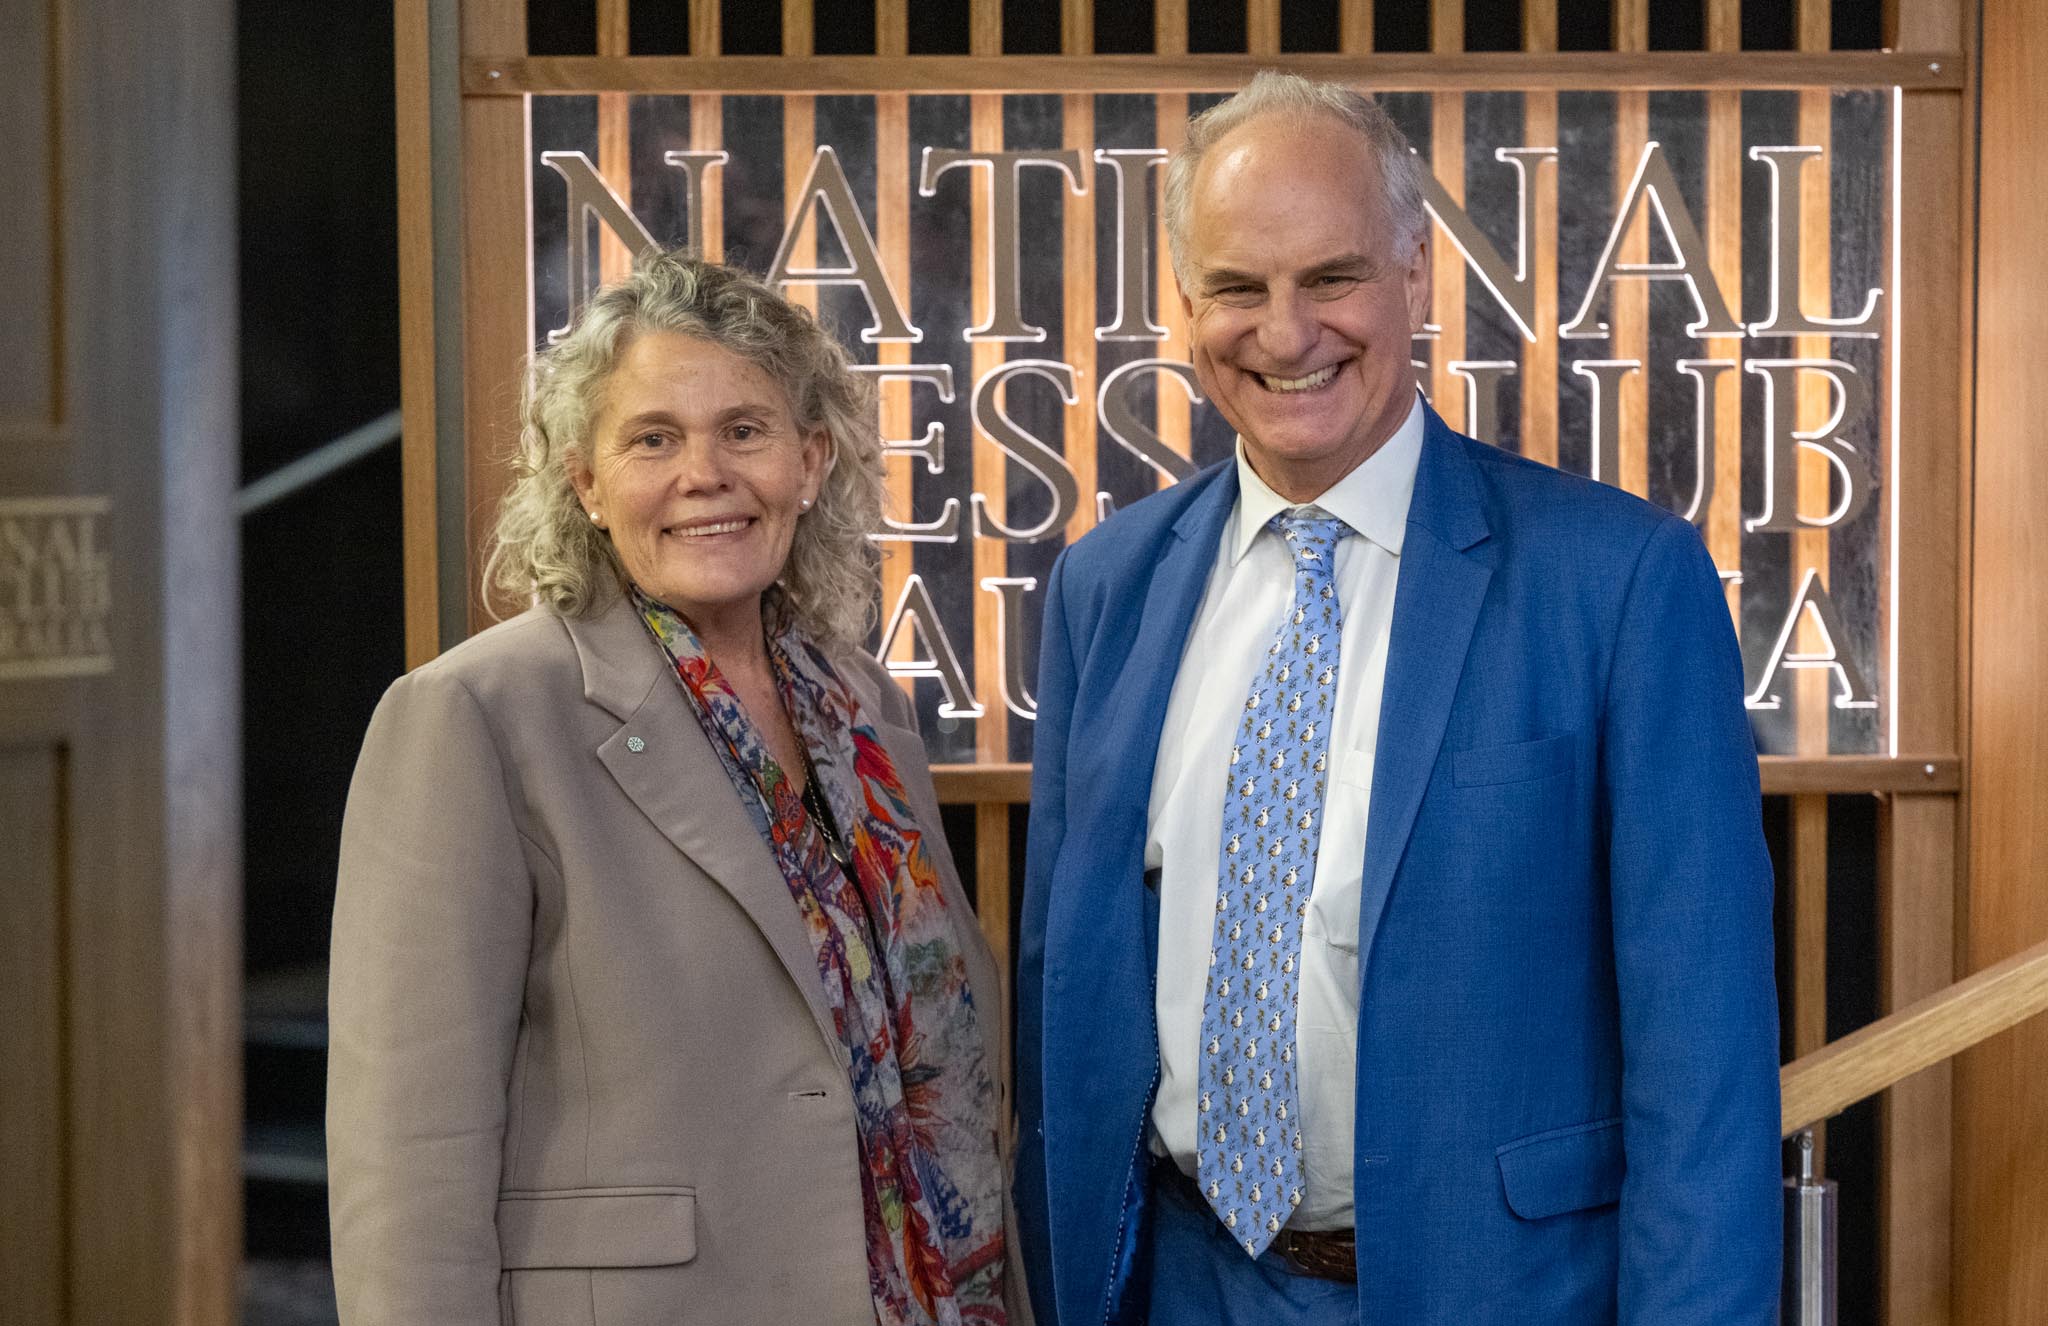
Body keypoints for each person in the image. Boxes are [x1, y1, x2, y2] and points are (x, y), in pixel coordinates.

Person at [1015, 72, 1781, 1325]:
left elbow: (1703, 1067)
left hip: (1503, 1296)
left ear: (1415, 277)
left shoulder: (1617, 580)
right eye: (1235, 289)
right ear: (1186, 305)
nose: (1283, 331)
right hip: (1179, 1284)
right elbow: (1063, 999)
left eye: (1330, 278)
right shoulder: (1109, 585)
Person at [329, 250, 1024, 1325]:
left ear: (810, 460)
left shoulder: (860, 706)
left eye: (743, 430)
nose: (705, 474)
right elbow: (407, 1152)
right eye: (652, 439)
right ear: (586, 485)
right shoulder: (477, 715)